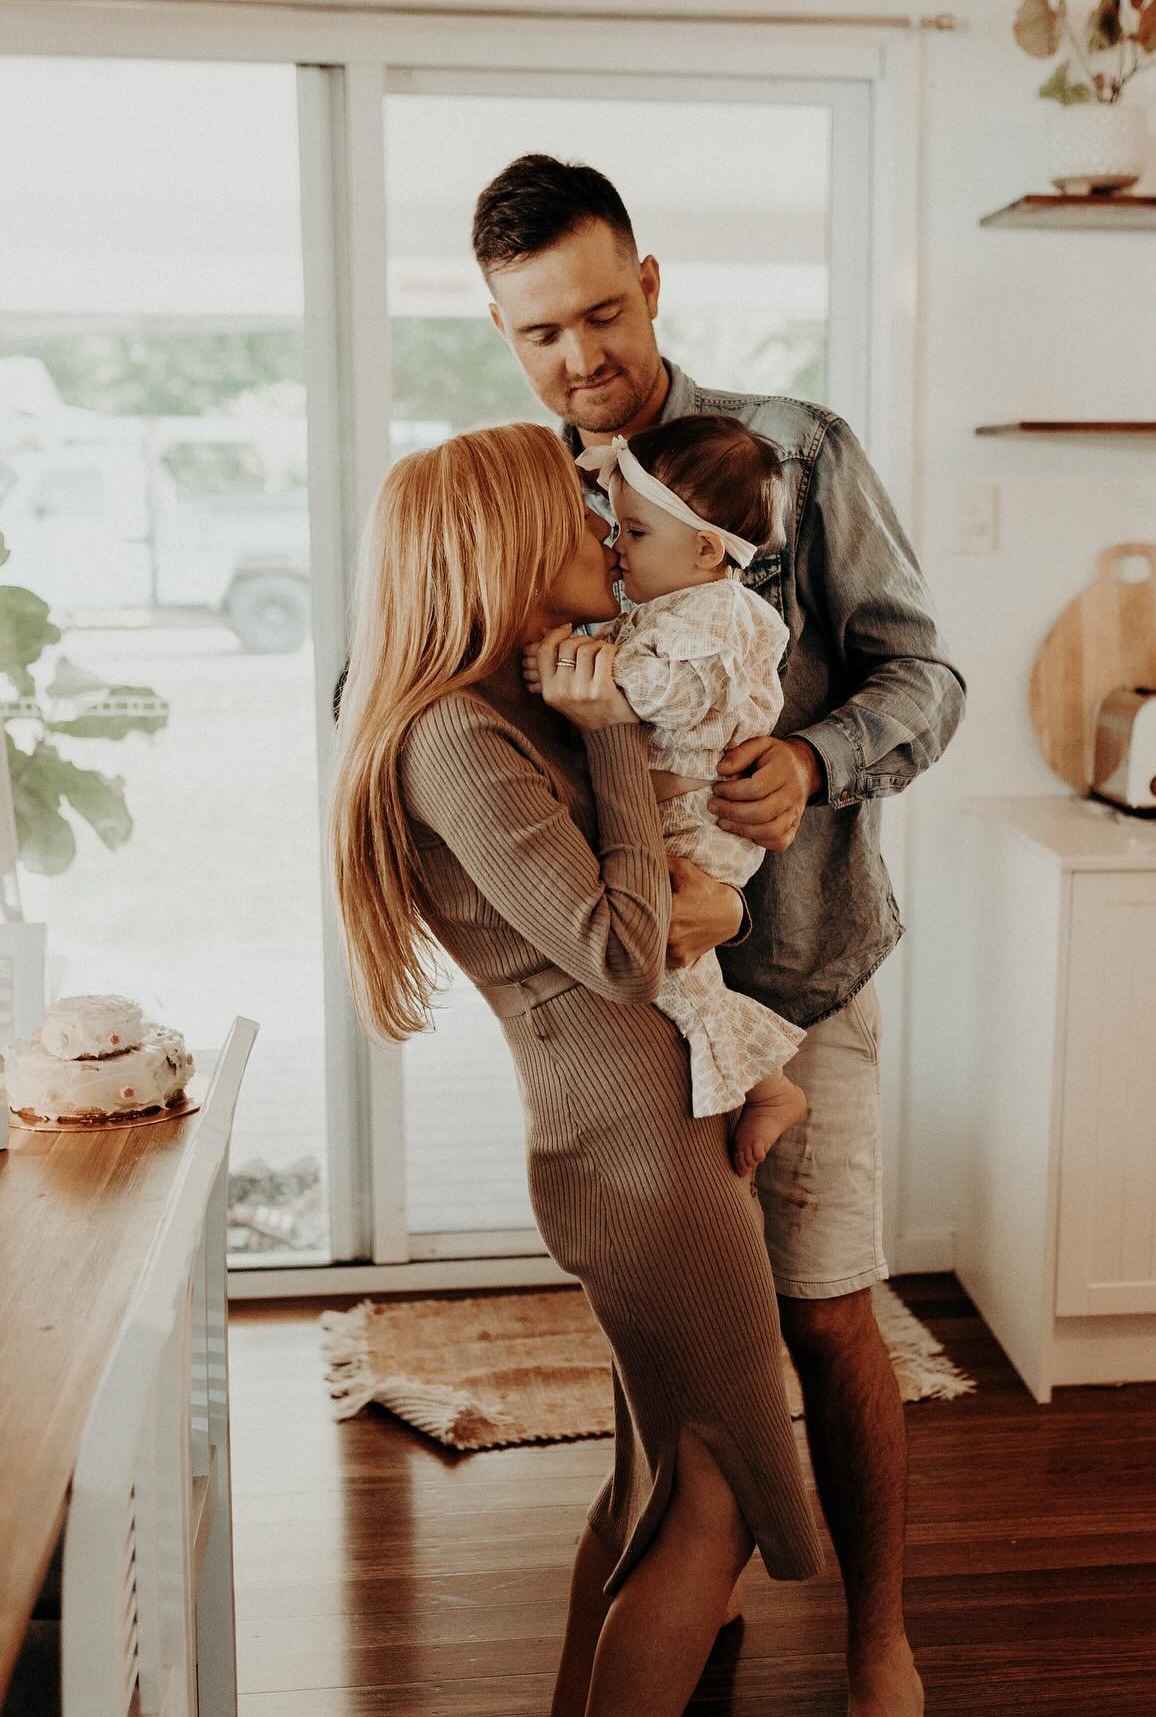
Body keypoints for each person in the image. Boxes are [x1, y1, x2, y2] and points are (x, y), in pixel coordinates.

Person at [473, 154, 965, 1717]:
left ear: (654, 282)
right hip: (628, 997)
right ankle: (694, 1589)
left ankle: (878, 1636)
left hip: (803, 964)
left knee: (824, 1315)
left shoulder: (794, 454)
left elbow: (923, 679)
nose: (579, 359)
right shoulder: (522, 488)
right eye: (538, 332)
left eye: (602, 314)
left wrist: (815, 762)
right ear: (504, 331)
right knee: (676, 1353)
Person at [328, 421, 823, 1717]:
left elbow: (661, 894)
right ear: (498, 545)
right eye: (576, 508)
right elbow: (617, 949)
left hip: (650, 1132)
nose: (605, 525)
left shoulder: (500, 705)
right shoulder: (451, 739)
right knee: (711, 1496)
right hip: (639, 1155)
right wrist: (612, 731)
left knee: (655, 1487)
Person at [540, 414, 809, 1173]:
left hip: (702, 819)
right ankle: (760, 1085)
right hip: (674, 806)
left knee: (669, 961)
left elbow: (687, 696)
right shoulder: (671, 606)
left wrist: (597, 678)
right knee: (677, 967)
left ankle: (765, 1086)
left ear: (702, 547)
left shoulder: (720, 614)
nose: (615, 546)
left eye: (633, 531)